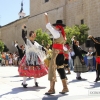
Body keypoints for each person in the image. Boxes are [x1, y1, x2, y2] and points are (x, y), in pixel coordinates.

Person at [44, 13, 69, 95]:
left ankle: (52, 89)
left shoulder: (56, 33)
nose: (54, 27)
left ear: (58, 26)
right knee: (61, 70)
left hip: (56, 55)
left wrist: (46, 16)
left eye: (56, 26)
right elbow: (64, 48)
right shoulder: (62, 35)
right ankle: (65, 87)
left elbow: (48, 26)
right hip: (61, 55)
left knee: (52, 70)